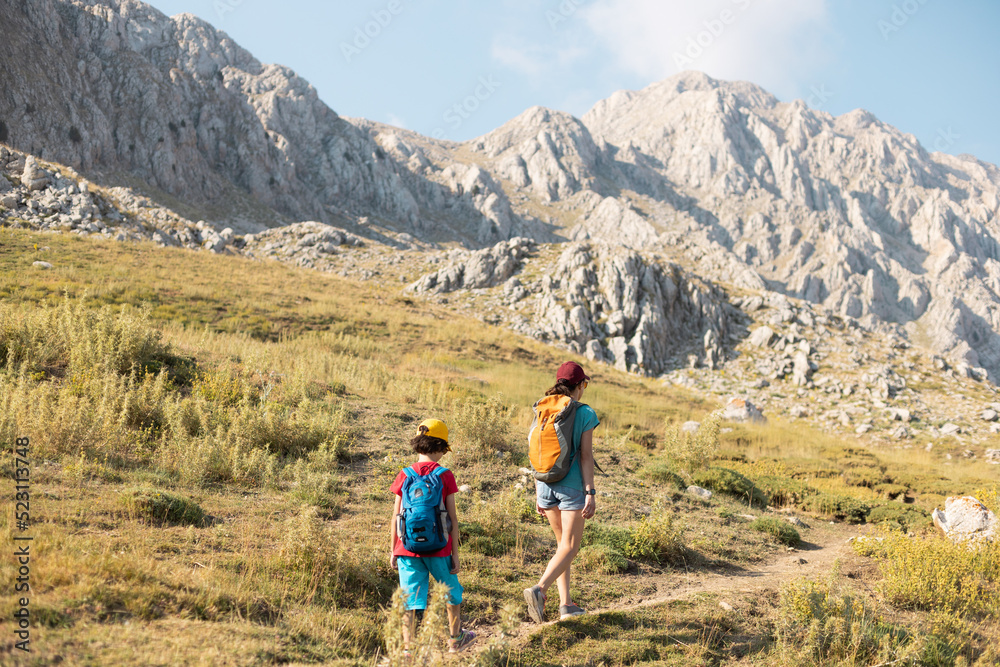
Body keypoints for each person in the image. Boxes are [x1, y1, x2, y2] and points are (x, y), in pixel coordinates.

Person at [389, 419, 476, 653]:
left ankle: (408, 650)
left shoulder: (404, 474)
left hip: (407, 548)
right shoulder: (444, 475)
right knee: (451, 593)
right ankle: (455, 640)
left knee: (409, 599)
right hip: (440, 548)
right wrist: (455, 554)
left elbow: (396, 517)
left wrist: (394, 550)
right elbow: (453, 520)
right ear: (439, 447)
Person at [523, 361, 599, 623]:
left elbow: (537, 451)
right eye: (584, 385)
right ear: (578, 385)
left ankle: (566, 604)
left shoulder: (542, 407)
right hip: (571, 486)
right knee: (570, 546)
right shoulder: (585, 412)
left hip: (545, 483)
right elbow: (586, 456)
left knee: (561, 547)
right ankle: (539, 590)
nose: (584, 389)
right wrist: (590, 492)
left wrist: (537, 492)